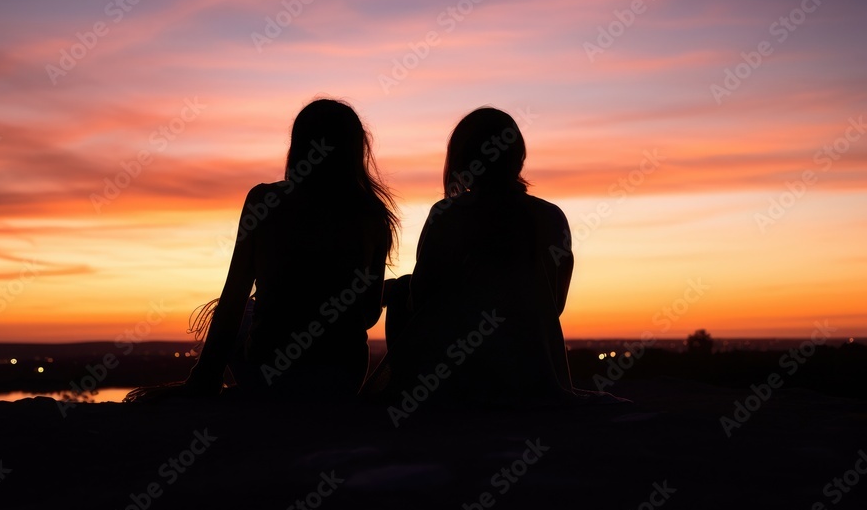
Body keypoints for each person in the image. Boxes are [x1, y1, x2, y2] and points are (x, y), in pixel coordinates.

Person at [126, 99, 397, 401]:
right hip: (341, 380)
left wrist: (205, 376)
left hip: (269, 377)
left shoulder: (264, 200)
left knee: (237, 309)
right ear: (356, 150)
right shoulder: (373, 214)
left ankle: (208, 383)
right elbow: (369, 314)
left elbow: (234, 296)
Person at [365, 107, 615, 406]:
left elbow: (422, 301)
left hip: (457, 376)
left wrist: (392, 290)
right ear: (518, 156)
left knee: (401, 290)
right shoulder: (551, 217)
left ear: (460, 159)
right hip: (533, 371)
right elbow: (553, 304)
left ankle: (411, 392)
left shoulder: (448, 215)